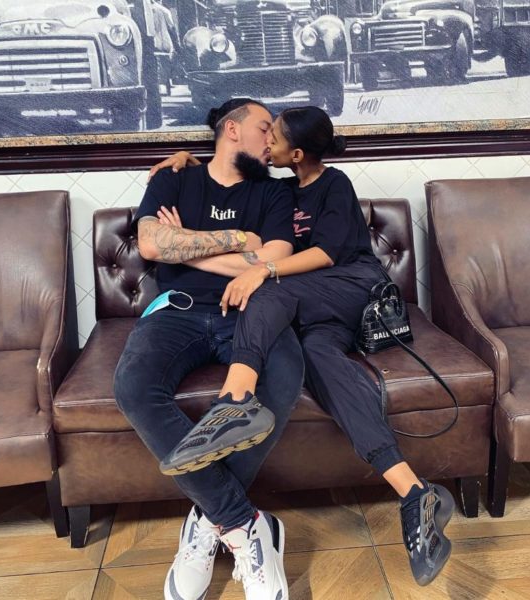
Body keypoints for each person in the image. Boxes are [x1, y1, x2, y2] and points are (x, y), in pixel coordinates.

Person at [150, 106, 456, 587]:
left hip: (352, 286)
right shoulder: (282, 191)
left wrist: (263, 270)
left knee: (267, 291)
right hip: (316, 313)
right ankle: (415, 492)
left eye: (273, 136)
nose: (266, 142)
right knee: (320, 361)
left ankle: (234, 402)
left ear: (296, 153)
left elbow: (328, 254)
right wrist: (188, 160)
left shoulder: (334, 185)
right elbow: (248, 213)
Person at [114, 98, 305, 600]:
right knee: (133, 386)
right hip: (176, 311)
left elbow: (272, 259)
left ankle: (206, 519)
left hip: (249, 310)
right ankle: (243, 523)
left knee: (285, 374)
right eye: (264, 129)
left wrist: (188, 245)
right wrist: (240, 239)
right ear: (231, 130)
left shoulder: (275, 191)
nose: (272, 141)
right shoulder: (174, 179)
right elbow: (151, 245)